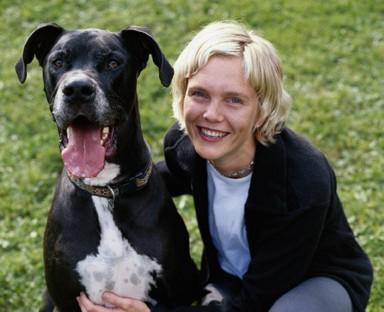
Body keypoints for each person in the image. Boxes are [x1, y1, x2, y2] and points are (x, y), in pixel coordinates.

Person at [78, 21, 373, 312]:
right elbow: (153, 182)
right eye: (199, 94)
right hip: (229, 278)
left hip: (312, 280)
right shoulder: (185, 147)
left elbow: (254, 301)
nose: (211, 115)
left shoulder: (302, 183)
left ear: (263, 110)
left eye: (234, 100)